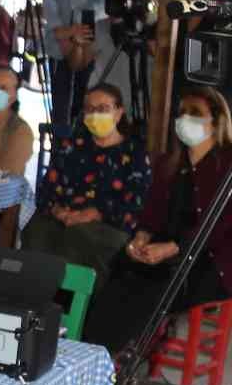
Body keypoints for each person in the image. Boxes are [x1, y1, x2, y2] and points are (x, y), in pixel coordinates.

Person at [86, 86, 232, 357]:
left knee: (151, 290)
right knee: (119, 272)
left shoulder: (226, 165)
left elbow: (220, 225)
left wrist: (173, 247)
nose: (186, 120)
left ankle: (123, 356)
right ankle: (93, 352)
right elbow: (151, 211)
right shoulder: (171, 161)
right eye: (182, 114)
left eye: (196, 114)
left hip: (209, 257)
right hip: (165, 246)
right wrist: (140, 238)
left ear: (217, 120)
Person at [20, 84, 150, 293]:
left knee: (78, 237)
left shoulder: (134, 153)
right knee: (36, 231)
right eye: (89, 109)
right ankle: (30, 298)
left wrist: (94, 214)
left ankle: (73, 304)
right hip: (62, 218)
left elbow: (136, 202)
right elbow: (47, 189)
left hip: (108, 225)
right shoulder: (72, 146)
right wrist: (57, 210)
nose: (95, 114)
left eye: (103, 109)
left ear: (118, 113)